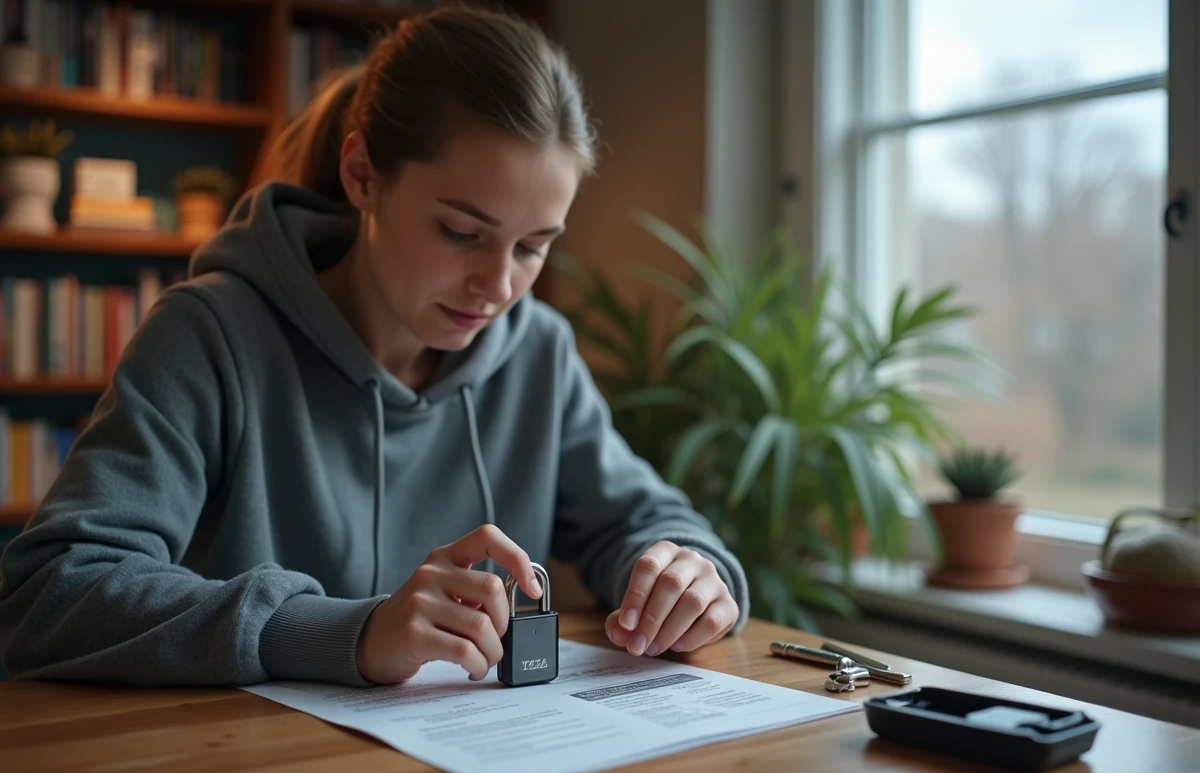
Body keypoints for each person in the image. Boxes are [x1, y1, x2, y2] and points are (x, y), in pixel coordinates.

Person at [0, 5, 748, 688]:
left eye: (533, 246)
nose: (498, 286)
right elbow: (50, 590)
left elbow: (648, 523)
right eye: (462, 232)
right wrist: (340, 631)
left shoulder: (538, 353)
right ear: (362, 175)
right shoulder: (210, 335)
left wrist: (689, 573)